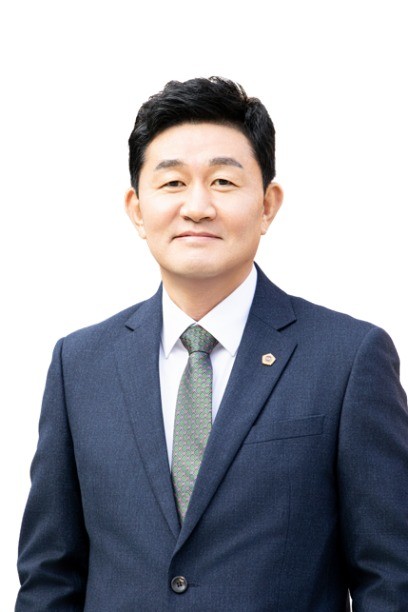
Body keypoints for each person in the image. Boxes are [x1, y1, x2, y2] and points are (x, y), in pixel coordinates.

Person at [16, 77, 408, 611]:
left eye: (223, 181)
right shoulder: (80, 364)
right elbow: (49, 577)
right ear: (137, 208)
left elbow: (391, 577)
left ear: (267, 205)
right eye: (172, 182)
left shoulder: (347, 358)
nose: (197, 207)